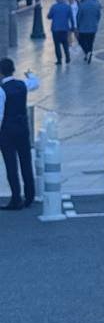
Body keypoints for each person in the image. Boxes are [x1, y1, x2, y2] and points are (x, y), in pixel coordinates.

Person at [0, 57, 40, 210]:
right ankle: (30, 195)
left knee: (11, 165)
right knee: (26, 162)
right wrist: (30, 74)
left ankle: (16, 198)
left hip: (7, 130)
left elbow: (0, 114)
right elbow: (35, 83)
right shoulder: (21, 85)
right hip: (23, 128)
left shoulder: (2, 90)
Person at [47, 0, 76, 66]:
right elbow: (71, 18)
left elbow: (49, 16)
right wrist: (73, 27)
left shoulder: (54, 7)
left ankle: (59, 60)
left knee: (57, 45)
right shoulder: (68, 7)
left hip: (55, 29)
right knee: (65, 43)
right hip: (64, 28)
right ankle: (67, 57)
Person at [75, 0, 102, 64]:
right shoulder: (96, 5)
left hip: (83, 28)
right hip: (93, 27)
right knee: (90, 41)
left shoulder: (82, 5)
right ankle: (89, 52)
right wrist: (96, 22)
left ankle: (87, 52)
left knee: (81, 41)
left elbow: (78, 17)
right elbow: (99, 15)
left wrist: (78, 26)